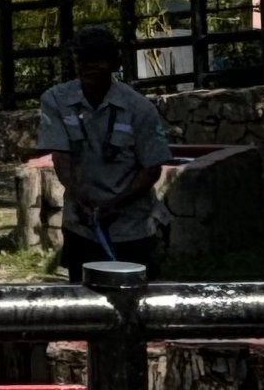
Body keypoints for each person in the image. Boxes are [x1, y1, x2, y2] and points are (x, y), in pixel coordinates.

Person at [38, 27, 171, 283]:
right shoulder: (55, 100)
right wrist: (80, 198)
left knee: (134, 292)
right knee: (84, 293)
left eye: (97, 60)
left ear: (115, 64)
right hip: (81, 223)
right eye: (82, 60)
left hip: (130, 226)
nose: (89, 67)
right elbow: (61, 157)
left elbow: (151, 168)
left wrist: (116, 204)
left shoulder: (139, 108)